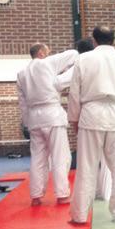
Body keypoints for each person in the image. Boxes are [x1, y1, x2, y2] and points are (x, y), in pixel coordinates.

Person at [68, 26, 115, 223]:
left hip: (91, 114)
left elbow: (74, 93)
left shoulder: (83, 59)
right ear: (114, 40)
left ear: (94, 40)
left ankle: (79, 215)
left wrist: (74, 119)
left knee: (86, 167)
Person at [17, 43, 78, 206]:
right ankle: (62, 195)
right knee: (60, 156)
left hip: (34, 118)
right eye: (48, 52)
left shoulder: (21, 74)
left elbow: (22, 103)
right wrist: (71, 69)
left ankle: (36, 196)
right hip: (52, 115)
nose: (49, 54)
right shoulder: (47, 63)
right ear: (41, 53)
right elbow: (73, 53)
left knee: (37, 158)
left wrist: (27, 123)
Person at [57, 37, 113, 201]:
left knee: (88, 157)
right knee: (107, 155)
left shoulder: (80, 63)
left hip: (87, 114)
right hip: (110, 111)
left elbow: (60, 85)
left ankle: (93, 191)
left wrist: (73, 119)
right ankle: (105, 192)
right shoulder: (107, 62)